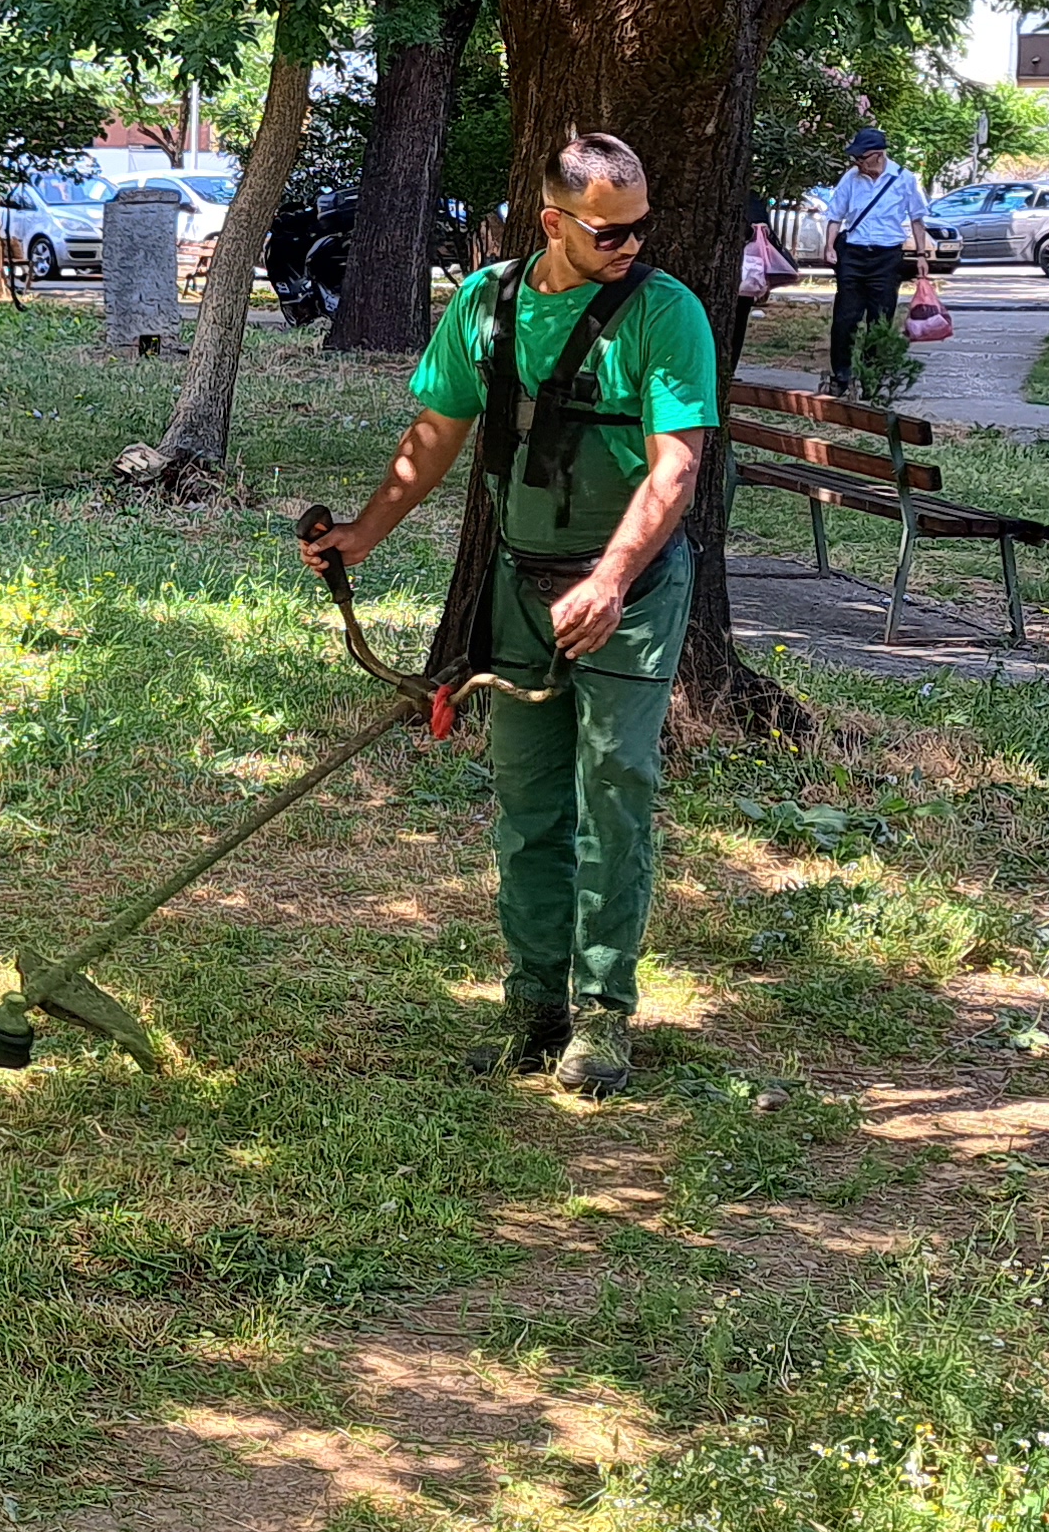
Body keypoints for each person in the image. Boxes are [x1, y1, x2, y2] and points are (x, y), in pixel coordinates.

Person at [306, 130, 718, 1101]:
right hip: (521, 584)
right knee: (527, 806)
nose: (629, 247)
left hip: (631, 593)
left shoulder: (666, 315)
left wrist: (614, 577)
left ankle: (604, 1017)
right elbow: (436, 432)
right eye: (608, 233)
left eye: (638, 230)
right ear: (552, 222)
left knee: (613, 795)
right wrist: (364, 533)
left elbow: (677, 468)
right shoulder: (485, 306)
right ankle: (535, 1012)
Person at [817, 126, 934, 393]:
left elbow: (917, 219)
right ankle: (842, 377)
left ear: (879, 155)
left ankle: (871, 377)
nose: (857, 162)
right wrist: (829, 246)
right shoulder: (851, 178)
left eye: (862, 157)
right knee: (845, 319)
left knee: (879, 320)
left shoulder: (904, 179)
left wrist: (921, 255)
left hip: (887, 257)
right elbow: (835, 215)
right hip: (854, 255)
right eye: (855, 158)